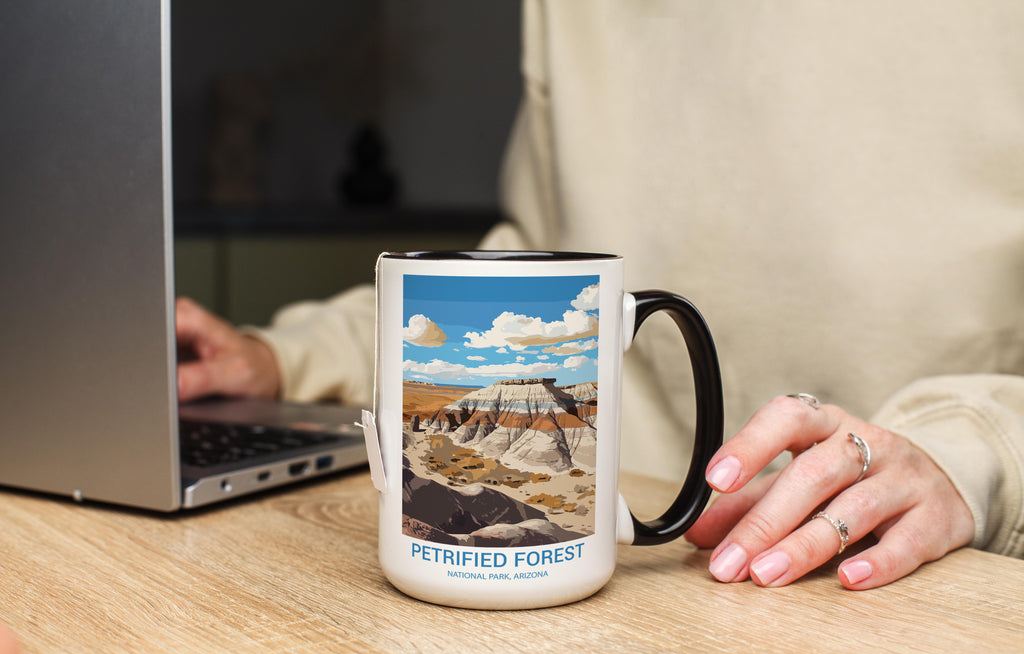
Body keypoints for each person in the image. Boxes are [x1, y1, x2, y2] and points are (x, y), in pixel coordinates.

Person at [177, 1, 1024, 589]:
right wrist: (285, 356)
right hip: (651, 586)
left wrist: (975, 453)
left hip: (907, 590)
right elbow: (522, 261)